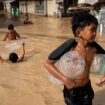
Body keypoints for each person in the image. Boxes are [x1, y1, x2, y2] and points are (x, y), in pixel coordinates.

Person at [44, 11, 105, 105]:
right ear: (78, 32)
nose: (94, 33)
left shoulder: (94, 48)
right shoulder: (70, 46)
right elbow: (47, 63)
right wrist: (64, 79)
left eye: (95, 30)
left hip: (87, 88)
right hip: (72, 89)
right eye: (92, 30)